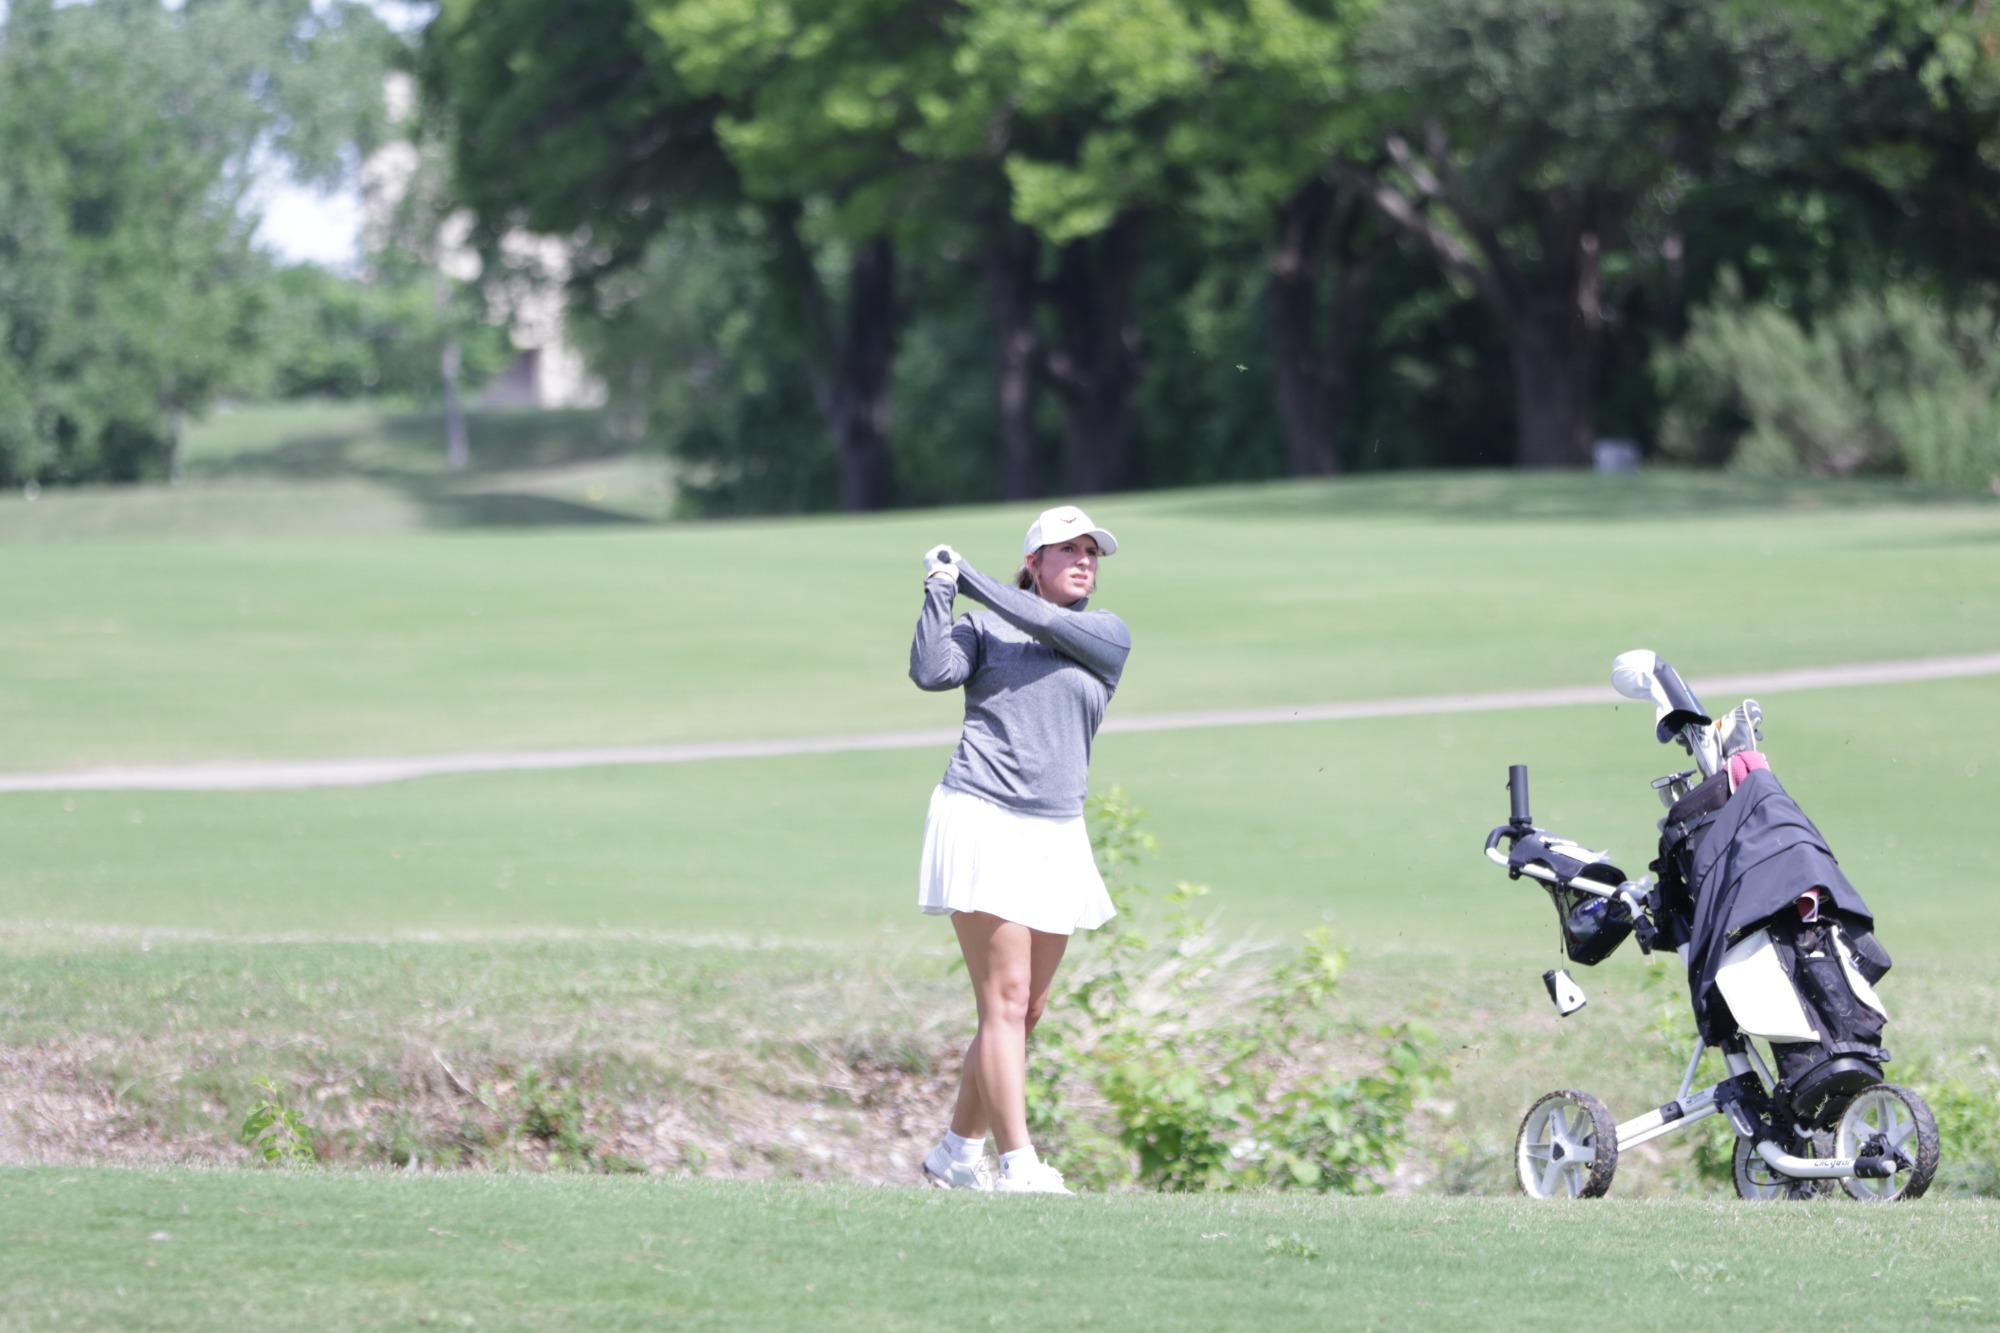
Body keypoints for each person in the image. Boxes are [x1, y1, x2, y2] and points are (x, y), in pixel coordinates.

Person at [907, 504, 1133, 1195]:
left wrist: (966, 573)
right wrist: (940, 592)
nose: (1085, 560)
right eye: (1067, 549)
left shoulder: (1104, 633)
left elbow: (1044, 623)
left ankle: (955, 1150)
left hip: (1057, 830)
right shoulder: (983, 628)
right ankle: (1019, 1165)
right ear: (1034, 562)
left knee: (1027, 1007)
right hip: (981, 813)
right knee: (1003, 1000)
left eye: (1091, 550)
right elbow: (930, 671)